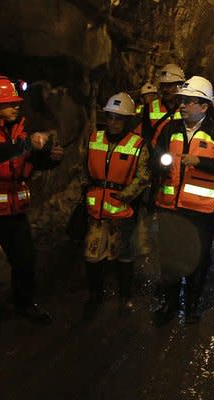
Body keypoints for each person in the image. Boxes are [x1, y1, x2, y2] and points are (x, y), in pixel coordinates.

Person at [0, 75, 64, 343]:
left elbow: (31, 164)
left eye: (16, 102)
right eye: (9, 102)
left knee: (25, 262)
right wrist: (27, 144)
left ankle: (24, 304)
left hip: (14, 214)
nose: (16, 106)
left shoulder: (20, 133)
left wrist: (51, 159)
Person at [151, 76, 214, 325]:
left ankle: (193, 304)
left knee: (198, 258)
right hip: (170, 206)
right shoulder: (170, 128)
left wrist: (200, 162)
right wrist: (160, 166)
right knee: (170, 258)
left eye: (189, 102)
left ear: (204, 106)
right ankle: (170, 303)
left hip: (201, 211)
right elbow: (155, 157)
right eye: (181, 101)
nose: (182, 105)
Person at [82, 92, 150, 320]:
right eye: (110, 117)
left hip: (122, 211)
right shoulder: (94, 139)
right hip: (96, 210)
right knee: (92, 255)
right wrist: (88, 191)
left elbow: (142, 177)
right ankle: (95, 295)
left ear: (128, 121)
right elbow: (84, 169)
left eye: (118, 119)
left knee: (123, 256)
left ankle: (125, 296)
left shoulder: (138, 145)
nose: (113, 122)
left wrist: (123, 197)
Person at [141, 63, 185, 146]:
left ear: (180, 86)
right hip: (156, 153)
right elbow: (145, 134)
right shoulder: (150, 107)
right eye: (163, 86)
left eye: (169, 86)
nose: (165, 89)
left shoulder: (187, 107)